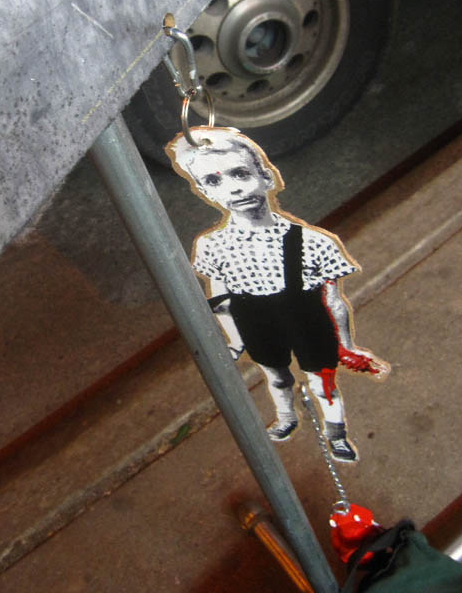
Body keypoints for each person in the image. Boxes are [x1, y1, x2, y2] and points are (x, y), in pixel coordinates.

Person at [166, 126, 389, 462]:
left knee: (322, 382)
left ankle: (336, 433)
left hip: (306, 316)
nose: (234, 187)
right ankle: (286, 417)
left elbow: (334, 299)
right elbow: (221, 298)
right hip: (254, 318)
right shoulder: (212, 245)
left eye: (241, 173)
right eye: (214, 181)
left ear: (266, 177)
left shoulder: (313, 241)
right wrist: (234, 340)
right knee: (276, 377)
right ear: (204, 192)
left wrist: (346, 344)